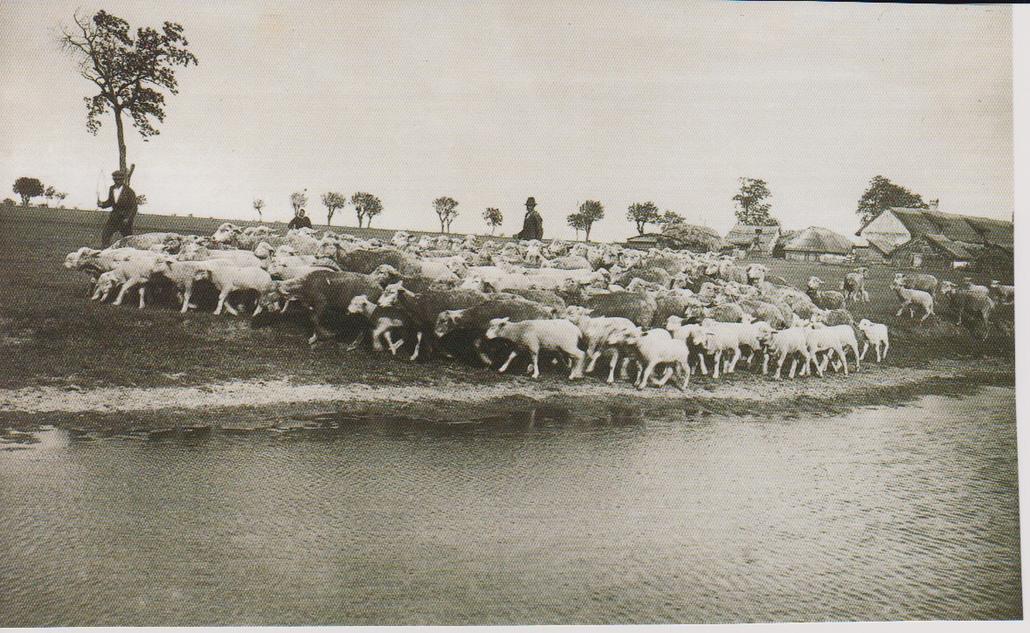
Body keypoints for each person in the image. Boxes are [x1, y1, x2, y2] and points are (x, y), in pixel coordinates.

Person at [97, 169, 138, 248]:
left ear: (123, 179)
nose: (117, 181)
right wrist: (102, 204)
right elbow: (110, 202)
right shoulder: (111, 189)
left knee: (128, 239)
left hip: (124, 219)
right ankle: (106, 251)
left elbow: (134, 207)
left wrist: (128, 218)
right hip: (114, 218)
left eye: (119, 179)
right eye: (115, 179)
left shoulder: (129, 191)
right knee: (105, 234)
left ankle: (129, 252)